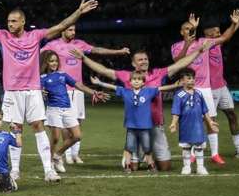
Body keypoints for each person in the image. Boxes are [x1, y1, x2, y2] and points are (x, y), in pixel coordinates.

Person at [0, 0, 99, 181]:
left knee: (38, 126)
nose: (10, 24)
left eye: (13, 21)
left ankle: (48, 170)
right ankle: (15, 171)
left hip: (33, 90)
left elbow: (59, 27)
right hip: (12, 91)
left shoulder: (36, 37)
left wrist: (78, 12)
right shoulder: (2, 37)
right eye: (8, 21)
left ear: (23, 21)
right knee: (15, 128)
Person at [70, 39, 211, 171]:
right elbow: (103, 70)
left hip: (156, 124)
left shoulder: (158, 74)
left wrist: (199, 51)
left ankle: (150, 154)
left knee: (165, 167)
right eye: (140, 60)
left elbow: (180, 64)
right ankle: (137, 155)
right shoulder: (126, 77)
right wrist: (84, 58)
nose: (144, 61)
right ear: (133, 64)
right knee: (134, 167)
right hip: (136, 126)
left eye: (145, 59)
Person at [171, 9, 239, 164]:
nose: (189, 30)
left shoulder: (204, 43)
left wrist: (236, 23)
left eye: (191, 28)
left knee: (213, 119)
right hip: (192, 88)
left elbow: (226, 37)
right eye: (186, 28)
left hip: (210, 87)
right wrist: (187, 43)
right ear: (181, 32)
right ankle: (193, 152)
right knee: (193, 120)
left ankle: (219, 153)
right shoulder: (177, 46)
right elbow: (178, 60)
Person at [42, 24, 128, 163]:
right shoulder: (53, 45)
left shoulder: (79, 44)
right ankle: (67, 155)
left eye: (74, 30)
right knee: (64, 125)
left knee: (78, 122)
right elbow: (39, 55)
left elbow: (97, 50)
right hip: (63, 90)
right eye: (70, 30)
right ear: (62, 30)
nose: (73, 32)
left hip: (78, 88)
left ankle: (75, 154)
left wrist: (117, 52)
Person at [91, 73, 180, 172]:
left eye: (139, 79)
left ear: (143, 82)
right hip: (131, 126)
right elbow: (114, 87)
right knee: (129, 147)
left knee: (147, 147)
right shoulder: (126, 92)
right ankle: (128, 165)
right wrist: (99, 83)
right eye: (134, 79)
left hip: (145, 126)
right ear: (130, 82)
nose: (136, 81)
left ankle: (151, 164)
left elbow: (161, 88)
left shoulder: (148, 92)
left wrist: (174, 86)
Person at [38, 49, 107, 173]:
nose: (54, 63)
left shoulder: (63, 75)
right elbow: (36, 90)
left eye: (55, 61)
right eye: (51, 61)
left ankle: (57, 155)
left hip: (68, 108)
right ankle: (49, 166)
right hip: (53, 110)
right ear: (45, 63)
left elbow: (79, 85)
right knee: (55, 139)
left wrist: (94, 92)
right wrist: (40, 92)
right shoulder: (42, 78)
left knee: (77, 136)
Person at [203, 15, 239, 160]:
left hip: (222, 86)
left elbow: (228, 34)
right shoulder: (205, 44)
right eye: (216, 31)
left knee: (232, 115)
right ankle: (213, 153)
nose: (219, 33)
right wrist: (235, 23)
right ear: (208, 33)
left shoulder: (217, 43)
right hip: (210, 89)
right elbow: (227, 36)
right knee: (211, 121)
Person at [169, 67, 220, 176]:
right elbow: (176, 111)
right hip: (185, 125)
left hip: (198, 126)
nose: (191, 80)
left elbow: (205, 110)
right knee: (186, 146)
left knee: (199, 146)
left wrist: (210, 122)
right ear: (182, 81)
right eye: (188, 78)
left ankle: (200, 167)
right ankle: (186, 166)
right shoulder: (179, 95)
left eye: (193, 78)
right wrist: (174, 123)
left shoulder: (199, 94)